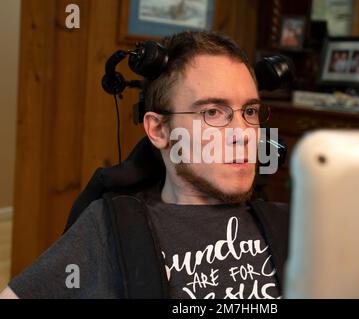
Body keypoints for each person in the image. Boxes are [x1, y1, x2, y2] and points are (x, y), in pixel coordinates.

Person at [0, 31, 289, 299]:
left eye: (249, 111)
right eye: (213, 112)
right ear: (159, 130)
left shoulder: (295, 225)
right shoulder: (109, 230)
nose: (243, 134)